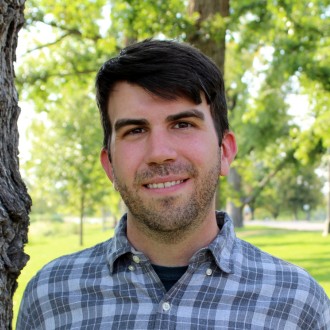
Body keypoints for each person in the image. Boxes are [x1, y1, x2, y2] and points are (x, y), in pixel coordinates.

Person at [17, 39, 330, 329]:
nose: (160, 154)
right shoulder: (48, 299)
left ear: (224, 152)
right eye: (136, 130)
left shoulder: (299, 306)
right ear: (110, 164)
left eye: (183, 124)